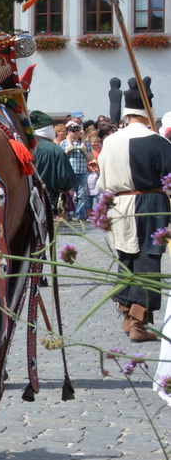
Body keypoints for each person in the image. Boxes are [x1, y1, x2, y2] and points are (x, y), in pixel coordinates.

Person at [97, 78, 171, 344]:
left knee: (125, 260)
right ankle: (139, 323)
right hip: (148, 206)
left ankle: (128, 317)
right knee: (147, 263)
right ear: (148, 109)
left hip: (117, 205)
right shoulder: (158, 142)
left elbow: (103, 181)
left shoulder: (110, 141)